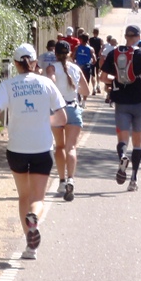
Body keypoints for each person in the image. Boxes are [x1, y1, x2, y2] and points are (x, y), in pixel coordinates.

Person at [0, 43, 67, 259]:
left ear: (15, 64)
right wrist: (43, 120)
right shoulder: (46, 83)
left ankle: (30, 247)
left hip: (17, 149)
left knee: (23, 196)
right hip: (42, 148)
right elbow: (62, 118)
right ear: (34, 62)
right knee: (38, 198)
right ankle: (34, 218)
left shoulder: (8, 85)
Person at [100, 24, 141, 191]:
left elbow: (103, 77)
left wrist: (116, 79)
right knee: (138, 142)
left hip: (121, 103)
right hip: (139, 102)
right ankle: (133, 179)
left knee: (122, 140)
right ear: (138, 37)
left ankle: (123, 156)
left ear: (126, 36)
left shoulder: (114, 53)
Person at [48, 40, 91, 202]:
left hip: (58, 110)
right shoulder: (76, 69)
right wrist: (74, 89)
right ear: (70, 52)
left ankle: (61, 180)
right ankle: (71, 178)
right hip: (73, 109)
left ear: (55, 54)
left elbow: (51, 81)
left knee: (59, 146)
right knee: (71, 147)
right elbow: (87, 90)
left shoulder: (52, 68)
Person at [73, 33, 95, 103]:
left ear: (81, 39)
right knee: (86, 83)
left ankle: (78, 96)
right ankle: (84, 101)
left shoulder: (77, 47)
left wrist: (75, 62)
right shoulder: (90, 49)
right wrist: (91, 63)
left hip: (78, 68)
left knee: (77, 82)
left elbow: (72, 57)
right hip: (86, 68)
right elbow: (94, 59)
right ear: (88, 39)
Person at [88, 27, 104, 94]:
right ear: (98, 33)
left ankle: (94, 88)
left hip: (92, 58)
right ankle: (98, 85)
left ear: (93, 32)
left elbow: (88, 47)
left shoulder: (90, 40)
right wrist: (100, 52)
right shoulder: (100, 40)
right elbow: (103, 46)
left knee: (92, 74)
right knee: (98, 72)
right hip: (98, 58)